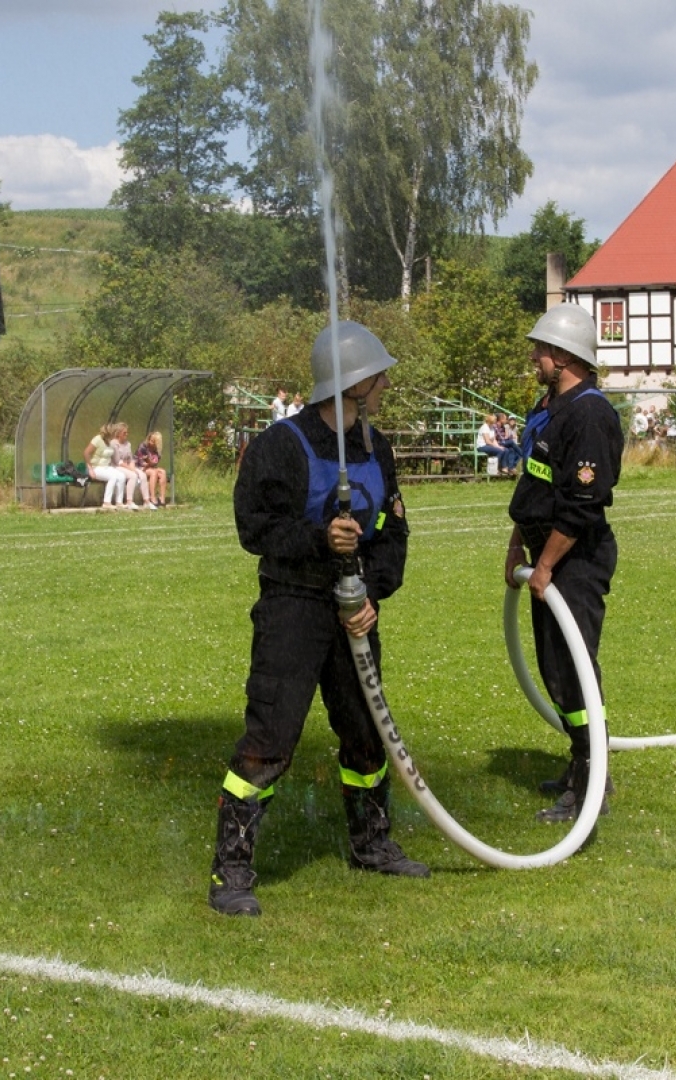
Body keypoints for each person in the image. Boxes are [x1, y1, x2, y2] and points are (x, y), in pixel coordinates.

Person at [208, 321, 426, 917]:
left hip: (355, 615)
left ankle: (372, 844)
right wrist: (317, 539)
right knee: (271, 739)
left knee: (366, 732)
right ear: (353, 384)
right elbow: (255, 528)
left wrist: (373, 593)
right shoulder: (280, 446)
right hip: (294, 611)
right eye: (379, 376)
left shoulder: (375, 447)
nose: (385, 385)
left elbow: (393, 532)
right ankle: (232, 870)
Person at [503, 303, 623, 825]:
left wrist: (547, 565)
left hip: (574, 561)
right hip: (545, 557)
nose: (534, 357)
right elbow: (535, 483)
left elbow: (582, 503)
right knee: (557, 670)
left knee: (572, 670)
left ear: (564, 355)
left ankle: (590, 775)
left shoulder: (590, 414)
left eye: (541, 350)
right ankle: (583, 763)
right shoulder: (549, 406)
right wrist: (517, 546)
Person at [86, 423, 130, 509]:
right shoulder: (97, 439)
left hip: (106, 467)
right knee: (112, 477)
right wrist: (90, 469)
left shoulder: (110, 441)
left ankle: (119, 502)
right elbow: (86, 453)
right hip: (95, 467)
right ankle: (106, 502)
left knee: (121, 476)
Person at [110, 422, 154, 509]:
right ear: (118, 433)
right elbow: (117, 461)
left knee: (142, 475)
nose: (126, 434)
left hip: (127, 465)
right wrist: (131, 469)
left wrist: (133, 468)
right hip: (116, 466)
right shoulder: (113, 444)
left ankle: (147, 501)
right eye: (124, 433)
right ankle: (129, 501)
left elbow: (131, 459)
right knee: (133, 476)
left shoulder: (128, 444)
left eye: (127, 432)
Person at [136, 430, 169, 507]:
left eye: (154, 442)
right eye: (150, 440)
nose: (151, 443)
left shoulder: (157, 450)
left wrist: (150, 463)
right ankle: (152, 497)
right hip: (140, 467)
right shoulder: (143, 446)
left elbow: (155, 462)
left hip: (150, 467)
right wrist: (148, 463)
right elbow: (139, 461)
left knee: (162, 472)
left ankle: (162, 498)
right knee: (153, 472)